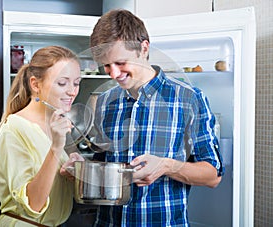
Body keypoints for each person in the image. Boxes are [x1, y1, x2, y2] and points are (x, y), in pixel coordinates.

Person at [88, 9, 224, 226]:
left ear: (143, 48)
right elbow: (102, 165)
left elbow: (213, 175)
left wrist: (166, 166)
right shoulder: (105, 101)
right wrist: (81, 168)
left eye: (120, 62)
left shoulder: (188, 98)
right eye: (106, 65)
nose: (113, 74)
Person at [0, 45, 84, 227]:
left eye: (76, 83)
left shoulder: (54, 125)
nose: (72, 91)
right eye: (62, 83)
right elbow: (33, 204)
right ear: (35, 84)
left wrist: (76, 170)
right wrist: (56, 149)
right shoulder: (14, 129)